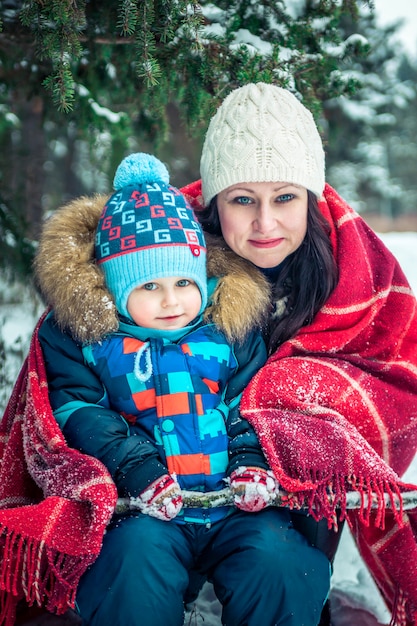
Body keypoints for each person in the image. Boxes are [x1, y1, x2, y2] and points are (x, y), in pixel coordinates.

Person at [30, 151, 331, 626]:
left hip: (231, 504)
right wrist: (136, 470)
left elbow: (252, 404)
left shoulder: (229, 330)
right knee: (130, 569)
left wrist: (251, 463)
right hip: (143, 505)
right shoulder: (88, 342)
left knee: (280, 563)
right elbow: (80, 412)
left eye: (183, 282)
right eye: (148, 286)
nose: (171, 300)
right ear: (113, 290)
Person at [178, 82, 417, 626]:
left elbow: (395, 376)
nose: (266, 224)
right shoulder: (168, 261)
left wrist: (287, 395)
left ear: (311, 199)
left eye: (285, 198)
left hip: (296, 503)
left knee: (301, 405)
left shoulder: (352, 267)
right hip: (180, 471)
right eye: (243, 200)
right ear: (216, 204)